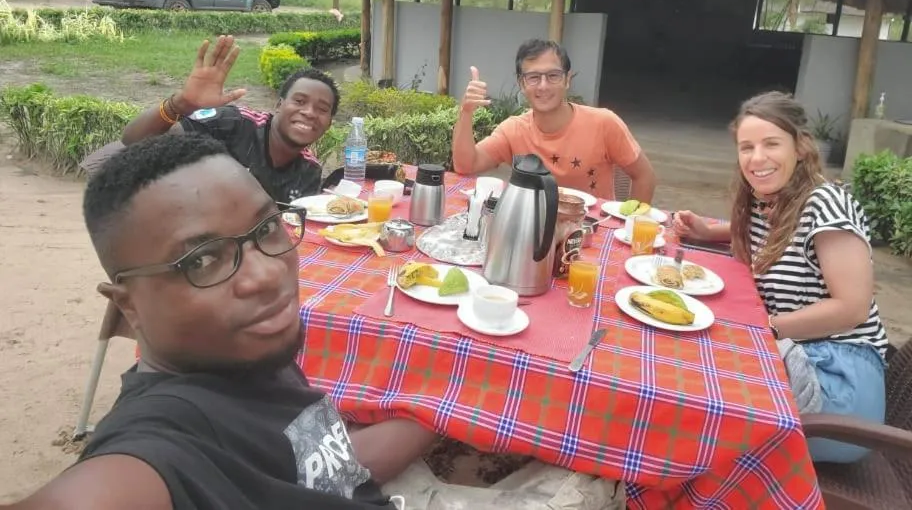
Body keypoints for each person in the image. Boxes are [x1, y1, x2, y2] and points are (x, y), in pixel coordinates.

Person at [5, 133, 435, 510]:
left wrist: (436, 413)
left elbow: (327, 466)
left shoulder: (247, 352)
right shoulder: (162, 447)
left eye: (267, 227)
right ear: (128, 305)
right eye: (203, 259)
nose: (267, 275)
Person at [673, 91, 888, 463]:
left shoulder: (826, 204)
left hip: (839, 389)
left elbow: (851, 308)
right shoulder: (767, 198)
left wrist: (764, 329)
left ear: (800, 147)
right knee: (685, 359)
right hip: (796, 358)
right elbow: (779, 236)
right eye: (746, 147)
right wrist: (710, 232)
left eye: (771, 143)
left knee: (693, 401)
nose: (757, 158)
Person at [122, 35, 338, 203]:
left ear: (329, 123)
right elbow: (135, 141)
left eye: (321, 109)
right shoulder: (232, 124)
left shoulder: (309, 171)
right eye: (299, 101)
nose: (309, 112)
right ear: (279, 105)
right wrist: (180, 104)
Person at [452, 39, 656, 202]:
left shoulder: (604, 123)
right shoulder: (514, 130)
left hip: (591, 230)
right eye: (533, 77)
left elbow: (644, 176)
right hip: (534, 229)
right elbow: (466, 165)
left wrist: (632, 225)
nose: (543, 86)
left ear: (567, 79)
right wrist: (466, 110)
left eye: (553, 76)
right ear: (521, 83)